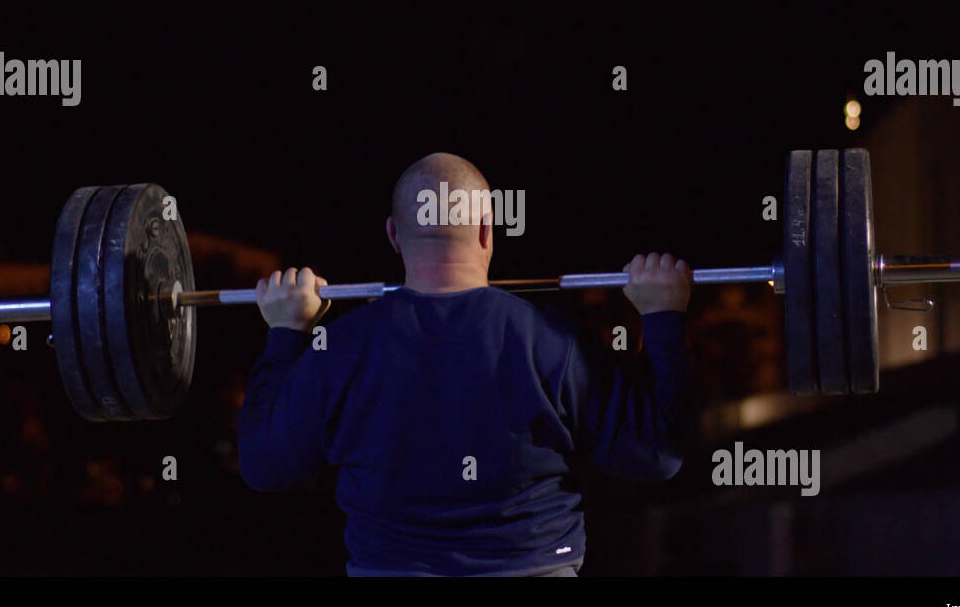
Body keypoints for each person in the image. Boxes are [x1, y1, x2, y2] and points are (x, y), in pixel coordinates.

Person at [238, 153, 691, 576]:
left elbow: (263, 467)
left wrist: (284, 333)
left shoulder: (335, 349)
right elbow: (655, 455)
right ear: (486, 231)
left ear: (394, 235)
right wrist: (662, 317)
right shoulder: (555, 340)